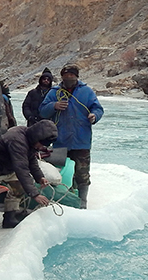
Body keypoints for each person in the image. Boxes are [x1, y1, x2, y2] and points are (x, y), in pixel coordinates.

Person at [38, 63, 104, 209]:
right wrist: (54, 106)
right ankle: (63, 198)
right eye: (66, 76)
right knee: (59, 173)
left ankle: (82, 202)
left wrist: (95, 116)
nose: (69, 78)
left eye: (72, 75)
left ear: (76, 76)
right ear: (62, 76)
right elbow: (42, 110)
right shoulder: (54, 92)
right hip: (61, 141)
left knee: (82, 173)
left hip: (82, 140)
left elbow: (98, 108)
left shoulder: (86, 91)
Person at [0, 120, 58, 228]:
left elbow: (32, 160)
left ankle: (9, 219)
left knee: (18, 189)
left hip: (9, 167)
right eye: (42, 144)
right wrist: (35, 194)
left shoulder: (31, 141)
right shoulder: (17, 139)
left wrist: (39, 177)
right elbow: (21, 168)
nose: (42, 148)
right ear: (37, 138)